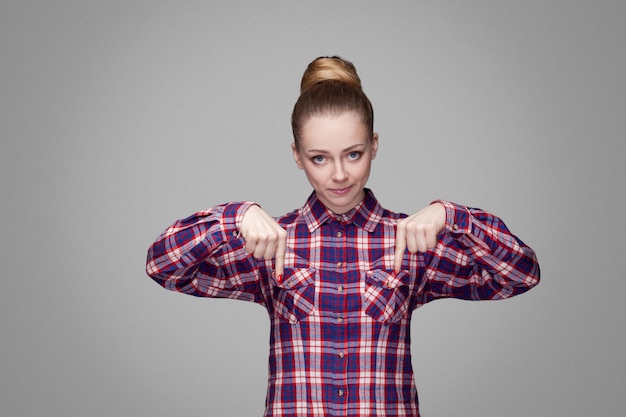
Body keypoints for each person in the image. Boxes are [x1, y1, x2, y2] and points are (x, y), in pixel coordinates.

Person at [146, 56, 540, 417]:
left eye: (353, 154)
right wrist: (235, 216)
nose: (339, 175)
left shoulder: (411, 242)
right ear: (297, 155)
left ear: (374, 146)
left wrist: (453, 215)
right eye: (319, 158)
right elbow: (162, 266)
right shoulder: (270, 242)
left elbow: (520, 275)